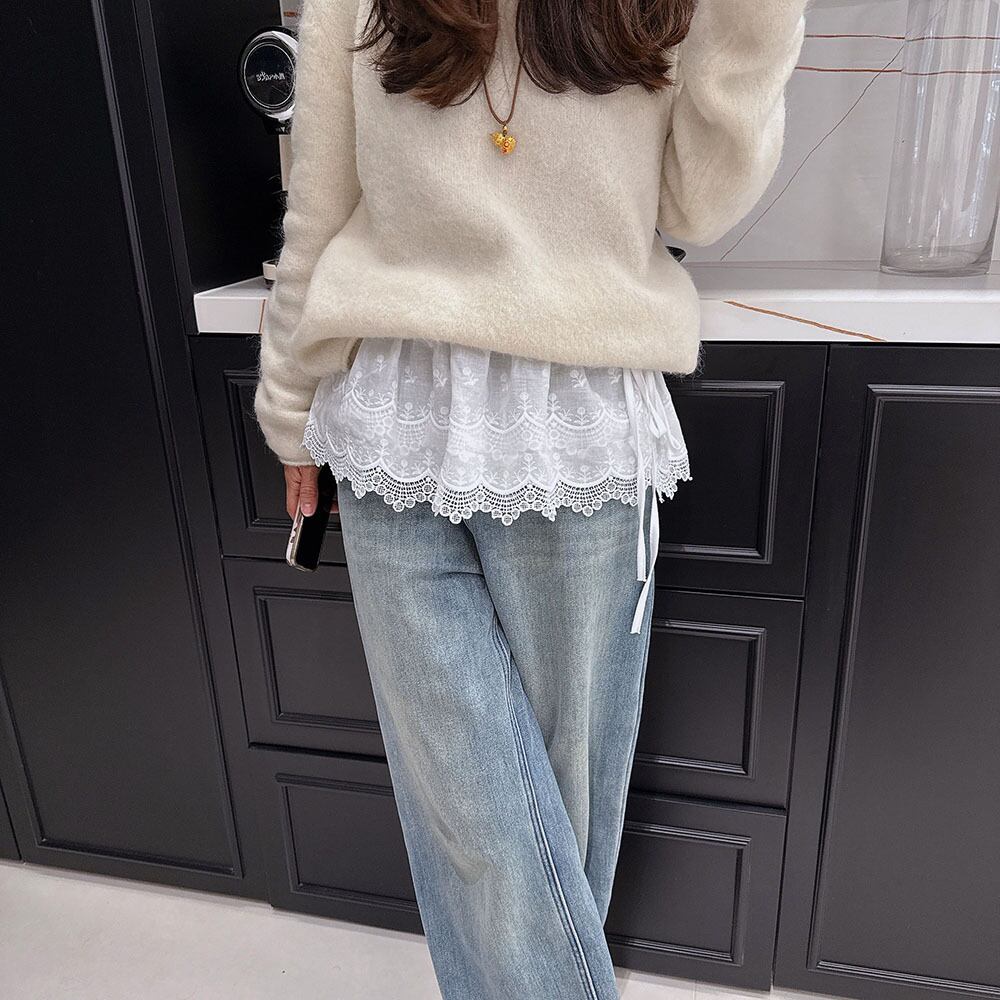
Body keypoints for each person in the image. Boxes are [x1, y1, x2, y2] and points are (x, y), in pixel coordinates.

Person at [254, 0, 807, 996]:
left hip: (575, 430)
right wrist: (290, 405)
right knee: (461, 803)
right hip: (391, 421)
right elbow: (320, 205)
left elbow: (697, 204)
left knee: (563, 797)